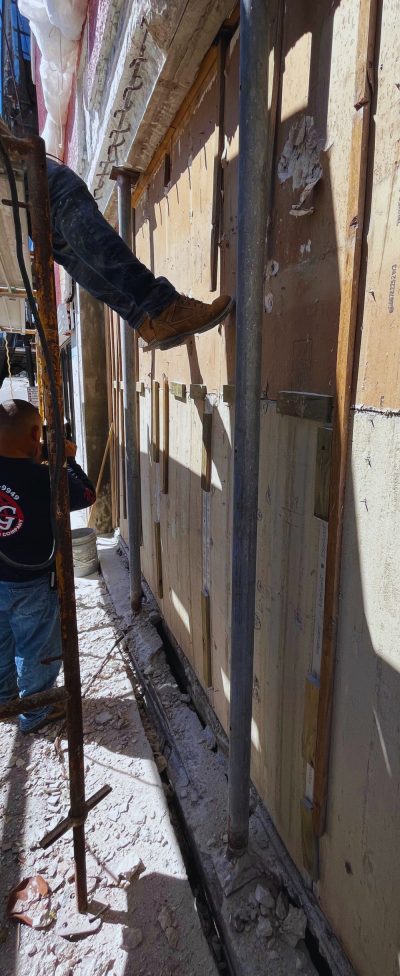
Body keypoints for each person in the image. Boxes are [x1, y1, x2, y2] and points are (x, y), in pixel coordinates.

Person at [45, 159, 233, 352]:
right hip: (30, 177)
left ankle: (146, 322)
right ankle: (165, 308)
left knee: (73, 254)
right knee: (64, 195)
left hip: (22, 201)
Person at [0, 399, 95, 734]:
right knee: (36, 647)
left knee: (2, 641)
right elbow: (85, 495)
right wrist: (65, 459)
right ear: (34, 434)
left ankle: (5, 699)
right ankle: (37, 711)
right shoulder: (43, 478)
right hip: (32, 584)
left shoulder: (34, 472)